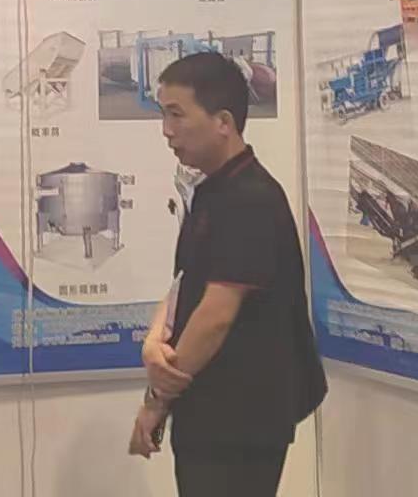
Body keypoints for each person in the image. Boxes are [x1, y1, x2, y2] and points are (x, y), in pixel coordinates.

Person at [131, 51, 324, 496]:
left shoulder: (251, 197)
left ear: (223, 121)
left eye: (177, 114)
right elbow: (186, 283)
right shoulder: (212, 190)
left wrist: (157, 400)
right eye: (163, 114)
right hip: (209, 411)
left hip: (241, 421)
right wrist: (155, 339)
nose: (166, 130)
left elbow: (215, 315)